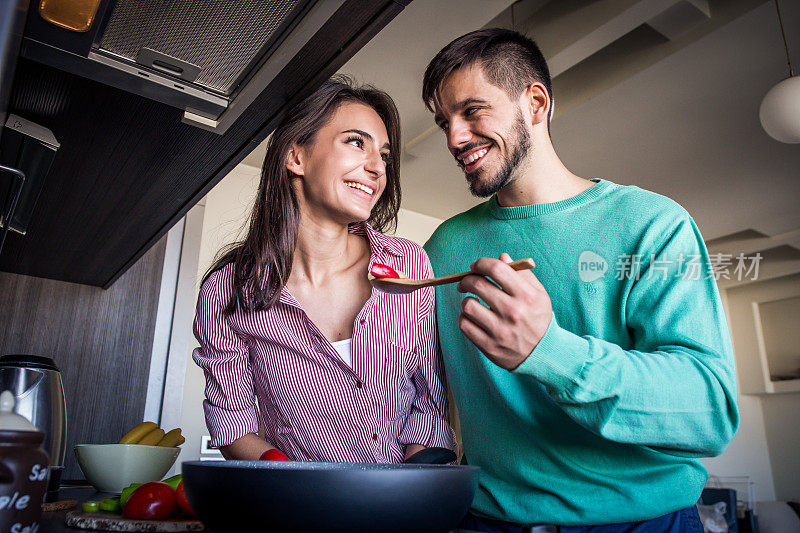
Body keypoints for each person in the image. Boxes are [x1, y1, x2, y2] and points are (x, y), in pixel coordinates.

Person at [421, 28, 738, 532]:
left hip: (644, 523)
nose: (454, 138)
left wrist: (549, 352)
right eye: (444, 122)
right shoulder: (442, 249)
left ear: (536, 102)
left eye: (472, 111)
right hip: (486, 521)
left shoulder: (654, 225)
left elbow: (709, 413)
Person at [192, 76, 454, 463]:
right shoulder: (228, 291)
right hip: (297, 512)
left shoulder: (407, 264)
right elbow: (235, 427)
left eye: (383, 155)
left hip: (404, 510)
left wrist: (402, 497)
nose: (376, 167)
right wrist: (304, 491)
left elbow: (428, 407)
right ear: (295, 156)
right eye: (355, 142)